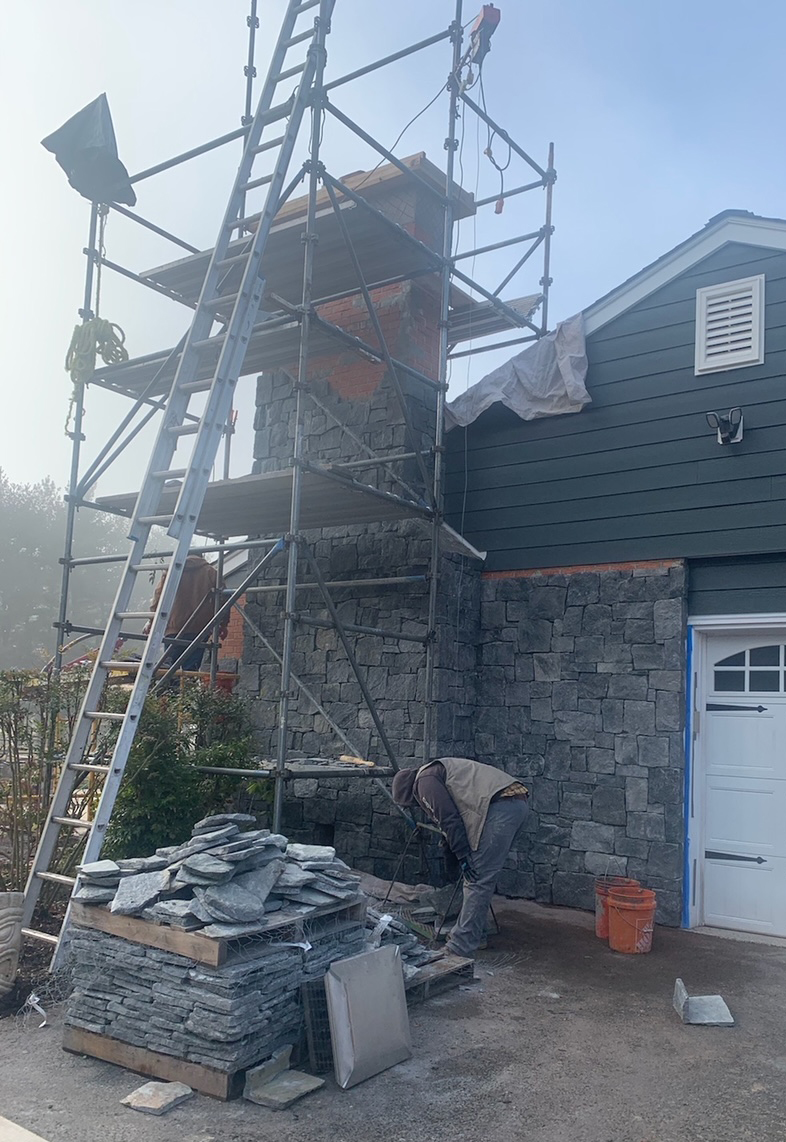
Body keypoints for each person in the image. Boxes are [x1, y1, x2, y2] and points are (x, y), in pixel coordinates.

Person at [391, 757, 529, 959]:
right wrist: (454, 862)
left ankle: (459, 948)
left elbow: (449, 820)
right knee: (480, 875)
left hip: (500, 807)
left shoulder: (424, 782)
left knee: (477, 880)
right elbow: (449, 825)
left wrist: (462, 856)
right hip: (514, 803)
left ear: (409, 794)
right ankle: (477, 934)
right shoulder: (436, 773)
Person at [146, 554, 227, 673]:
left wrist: (152, 621)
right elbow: (223, 599)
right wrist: (223, 624)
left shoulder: (172, 571)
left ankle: (170, 690)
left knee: (170, 670)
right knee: (190, 670)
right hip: (199, 629)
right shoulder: (211, 572)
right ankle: (187, 690)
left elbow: (158, 597)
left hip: (173, 627)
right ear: (201, 556)